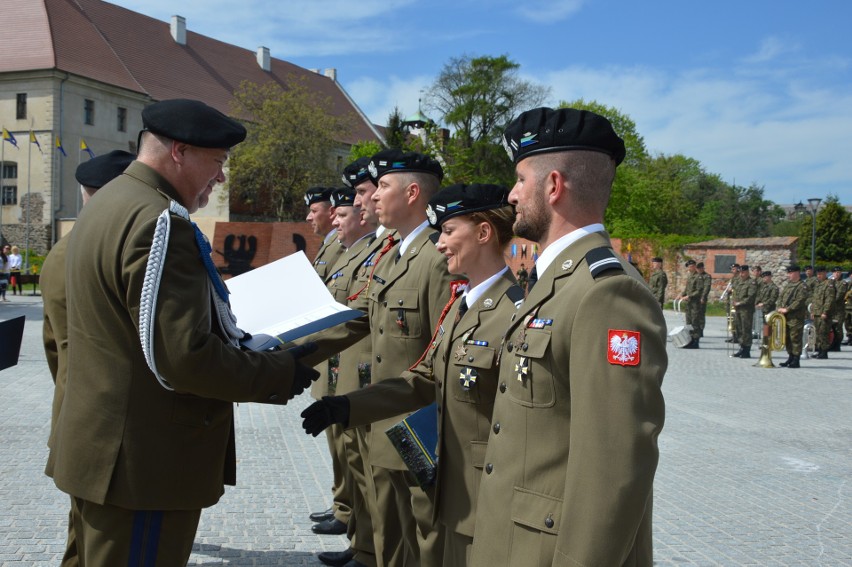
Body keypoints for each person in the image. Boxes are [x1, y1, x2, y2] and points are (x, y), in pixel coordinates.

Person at [48, 99, 319, 566]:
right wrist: (276, 371)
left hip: (103, 454)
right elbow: (183, 358)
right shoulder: (160, 222)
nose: (220, 178)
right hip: (143, 464)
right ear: (179, 151)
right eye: (216, 162)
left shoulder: (108, 204)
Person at [468, 107, 666, 567]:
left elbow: (614, 465)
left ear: (553, 186)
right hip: (512, 540)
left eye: (520, 179)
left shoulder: (607, 291)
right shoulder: (555, 279)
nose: (512, 194)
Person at [303, 183, 524, 566]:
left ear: (484, 233)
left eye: (449, 232)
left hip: (477, 492)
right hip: (439, 474)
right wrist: (347, 407)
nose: (439, 244)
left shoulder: (515, 313)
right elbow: (423, 376)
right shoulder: (461, 306)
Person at [298, 149, 454, 567]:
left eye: (383, 186)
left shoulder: (436, 258)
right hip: (380, 413)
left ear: (413, 192)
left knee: (420, 540)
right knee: (390, 533)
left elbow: (440, 354)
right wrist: (290, 356)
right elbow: (358, 320)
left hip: (415, 426)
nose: (371, 198)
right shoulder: (393, 254)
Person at [41, 149, 136, 567]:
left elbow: (52, 347)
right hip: (112, 429)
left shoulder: (62, 251)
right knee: (104, 543)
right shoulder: (108, 248)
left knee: (80, 536)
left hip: (73, 412)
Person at [305, 185, 350, 538]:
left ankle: (347, 509)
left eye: (315, 210)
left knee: (347, 443)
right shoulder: (333, 245)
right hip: (334, 355)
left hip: (347, 359)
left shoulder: (345, 244)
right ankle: (343, 503)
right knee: (337, 442)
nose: (313, 217)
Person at [776, 265, 809, 368]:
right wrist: (779, 307)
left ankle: (796, 359)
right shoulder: (788, 285)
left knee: (795, 338)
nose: (788, 275)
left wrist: (787, 309)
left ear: (797, 273)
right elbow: (781, 297)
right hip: (785, 316)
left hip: (795, 317)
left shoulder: (802, 286)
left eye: (790, 273)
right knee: (787, 338)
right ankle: (790, 357)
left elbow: (799, 300)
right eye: (788, 273)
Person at [732, 265, 758, 358]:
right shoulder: (739, 282)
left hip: (746, 310)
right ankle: (741, 347)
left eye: (743, 272)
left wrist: (740, 303)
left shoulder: (752, 283)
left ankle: (747, 350)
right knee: (739, 328)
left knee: (746, 329)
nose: (741, 274)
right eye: (740, 272)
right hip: (738, 309)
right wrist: (734, 302)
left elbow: (750, 297)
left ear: (747, 272)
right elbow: (735, 293)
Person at [810, 266, 835, 359]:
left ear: (825, 273)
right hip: (817, 312)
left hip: (824, 313)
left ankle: (824, 352)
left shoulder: (829, 284)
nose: (819, 276)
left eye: (821, 274)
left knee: (823, 332)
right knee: (818, 333)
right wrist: (812, 311)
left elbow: (829, 300)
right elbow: (815, 300)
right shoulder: (818, 285)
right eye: (818, 274)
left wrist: (825, 312)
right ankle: (819, 350)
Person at [679, 260, 702, 349]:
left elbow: (699, 290)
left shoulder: (698, 277)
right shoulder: (690, 276)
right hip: (689, 303)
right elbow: (687, 288)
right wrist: (682, 294)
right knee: (688, 322)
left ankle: (696, 341)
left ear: (694, 266)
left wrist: (689, 296)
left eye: (690, 266)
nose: (689, 268)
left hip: (695, 303)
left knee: (695, 322)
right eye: (688, 267)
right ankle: (690, 340)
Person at [830, 266, 847, 351]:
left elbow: (839, 295)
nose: (837, 274)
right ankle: (832, 343)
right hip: (831, 309)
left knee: (838, 328)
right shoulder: (830, 282)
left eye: (839, 272)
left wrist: (829, 301)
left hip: (838, 310)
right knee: (831, 327)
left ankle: (837, 344)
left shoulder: (843, 283)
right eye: (835, 272)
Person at [695, 262, 712, 338]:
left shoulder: (707, 276)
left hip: (701, 297)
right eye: (697, 269)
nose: (698, 270)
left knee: (701, 314)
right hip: (695, 298)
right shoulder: (696, 276)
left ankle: (701, 329)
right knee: (695, 314)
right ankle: (696, 329)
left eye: (699, 269)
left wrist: (703, 297)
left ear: (702, 268)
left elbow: (706, 288)